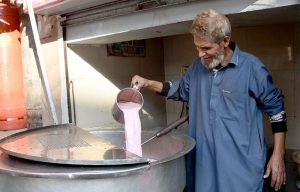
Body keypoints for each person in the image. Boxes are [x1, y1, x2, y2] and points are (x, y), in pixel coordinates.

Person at [131, 9, 287, 192]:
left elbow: (277, 110)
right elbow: (179, 89)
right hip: (204, 167)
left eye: (206, 48)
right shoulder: (198, 68)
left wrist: (278, 155)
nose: (200, 54)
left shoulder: (252, 68)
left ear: (225, 41)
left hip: (241, 169)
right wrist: (148, 83)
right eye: (197, 47)